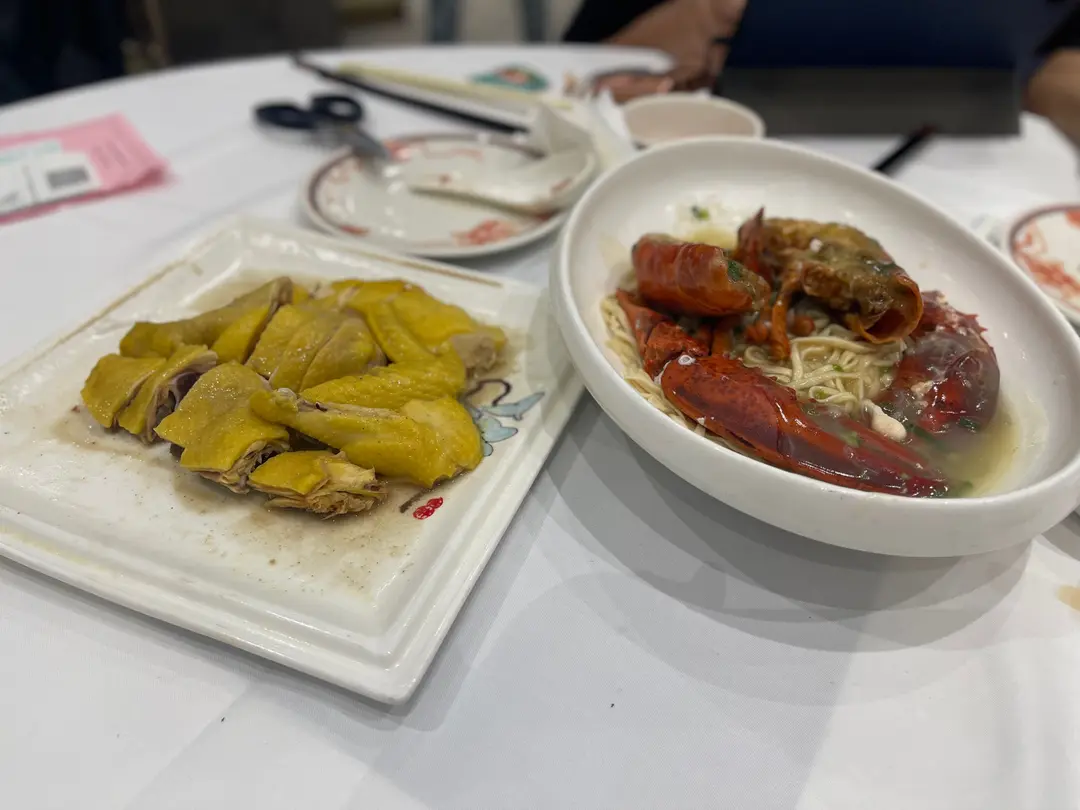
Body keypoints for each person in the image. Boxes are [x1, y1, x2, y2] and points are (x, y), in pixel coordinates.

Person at [566, 0, 1080, 145]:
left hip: (959, 136)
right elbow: (577, 62)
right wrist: (705, 19)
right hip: (704, 115)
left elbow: (1056, 69)